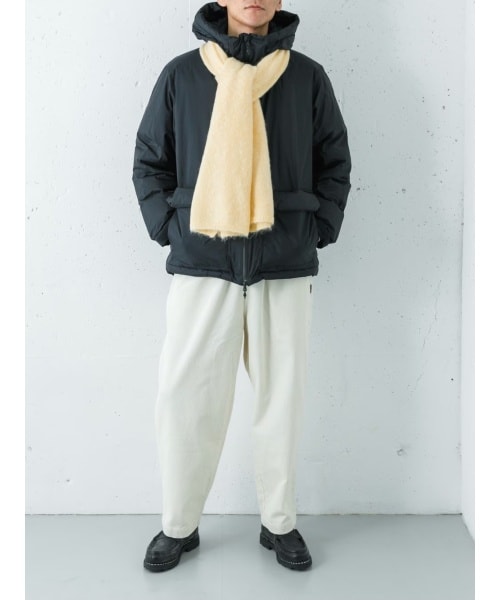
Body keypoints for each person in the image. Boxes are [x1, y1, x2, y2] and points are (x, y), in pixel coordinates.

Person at [132, 0, 351, 572]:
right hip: (204, 260)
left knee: (282, 399)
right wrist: (170, 228)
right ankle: (178, 525)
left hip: (284, 261)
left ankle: (279, 522)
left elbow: (334, 160)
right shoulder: (183, 74)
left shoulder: (306, 77)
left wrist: (318, 227)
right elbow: (150, 160)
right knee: (185, 398)